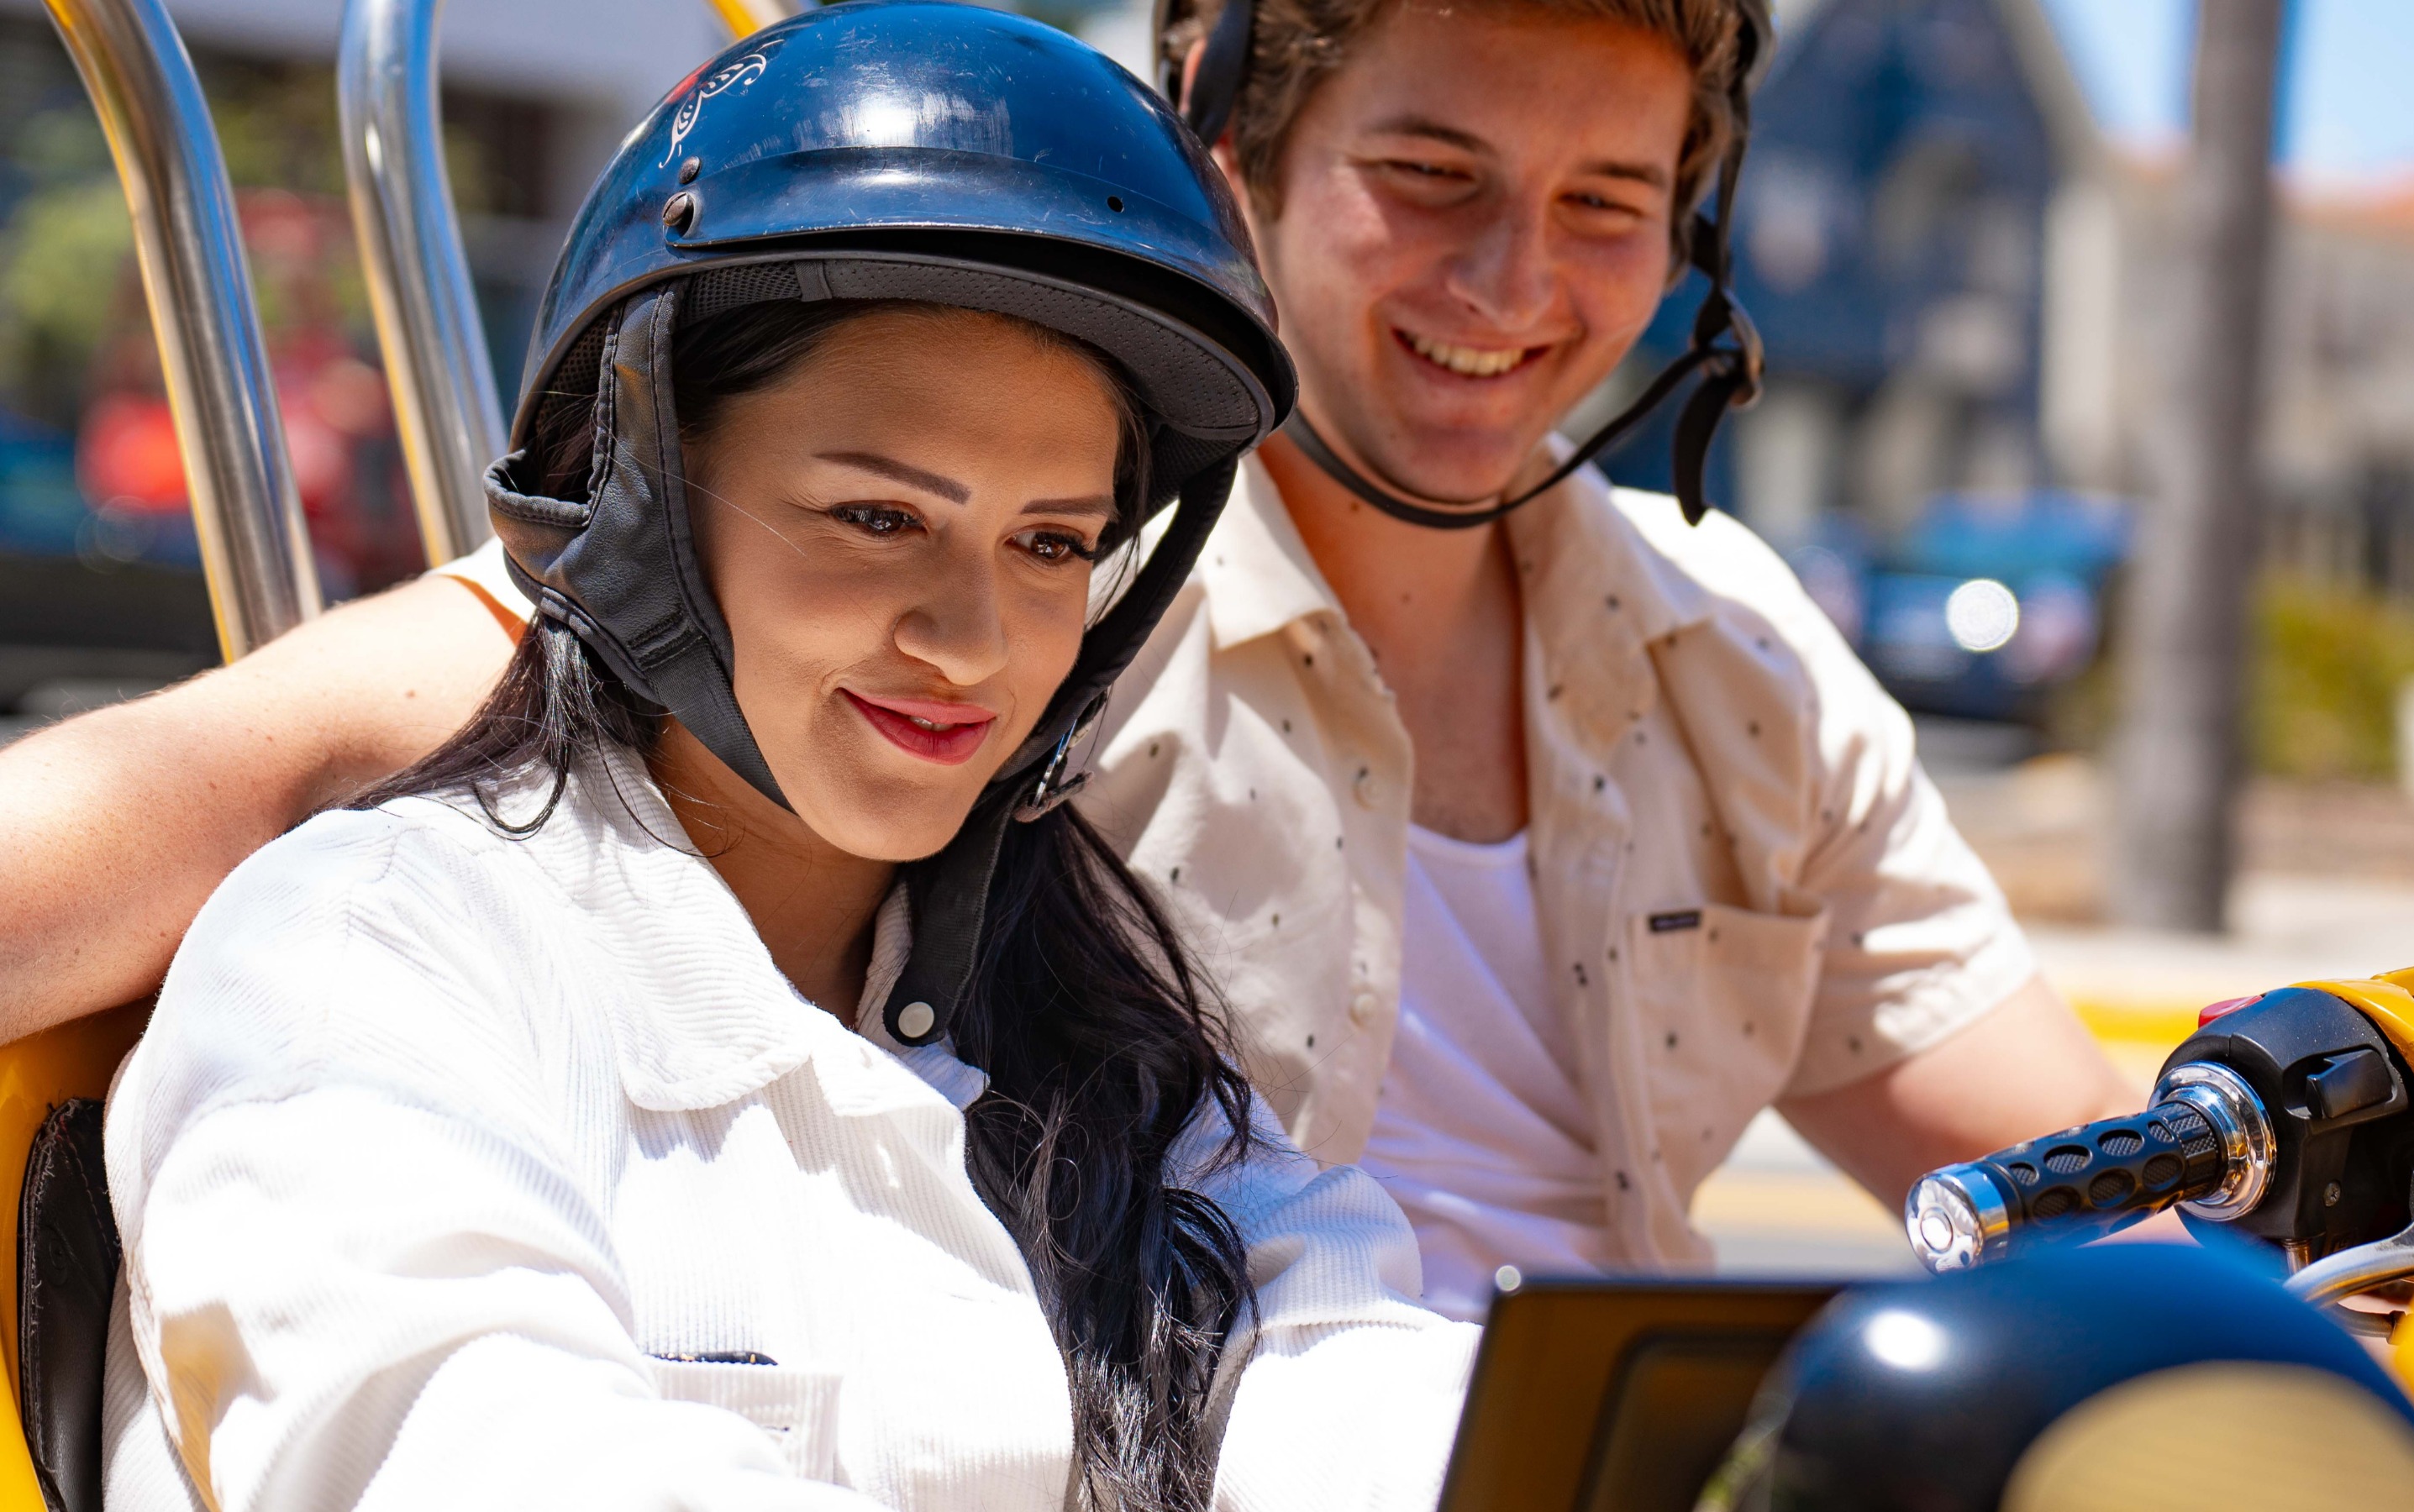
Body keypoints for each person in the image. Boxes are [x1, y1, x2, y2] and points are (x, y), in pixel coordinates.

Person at [0, 0, 2131, 1318]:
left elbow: (2091, 1191)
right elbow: (246, 778)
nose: (1514, 284)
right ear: (1227, 126)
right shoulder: (1018, 576)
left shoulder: (1739, 652)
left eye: (1607, 202)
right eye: (1429, 173)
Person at [99, 11, 1470, 1512]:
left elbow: (1333, 1346)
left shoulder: (1084, 1031)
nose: (972, 637)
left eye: (1051, 543)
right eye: (877, 517)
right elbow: (477, 1501)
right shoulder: (365, 961)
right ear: (642, 494)